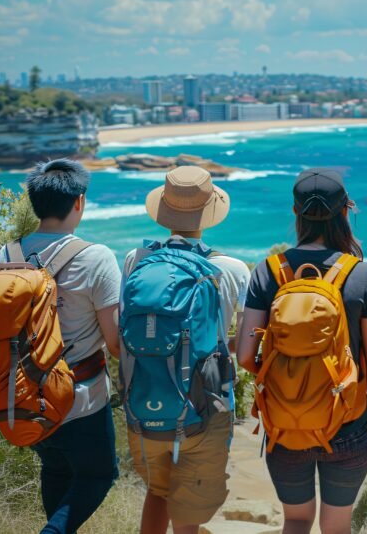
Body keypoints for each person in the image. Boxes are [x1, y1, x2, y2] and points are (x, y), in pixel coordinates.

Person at [236, 168, 367, 534]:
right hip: (346, 420)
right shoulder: (363, 275)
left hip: (285, 422)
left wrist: (282, 381)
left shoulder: (268, 272)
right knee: (336, 526)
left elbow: (243, 355)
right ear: (344, 211)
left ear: (295, 211)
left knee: (296, 520)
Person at [0, 159, 120, 534]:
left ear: (34, 203)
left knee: (56, 467)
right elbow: (113, 343)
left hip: (21, 396)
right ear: (79, 202)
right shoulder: (96, 257)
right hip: (80, 399)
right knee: (98, 475)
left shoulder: (6, 256)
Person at [121, 166, 250, 534]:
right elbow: (241, 348)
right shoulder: (232, 269)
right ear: (209, 212)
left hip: (143, 399)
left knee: (157, 493)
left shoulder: (136, 260)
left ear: (164, 209)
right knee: (188, 509)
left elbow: (122, 334)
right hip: (204, 405)